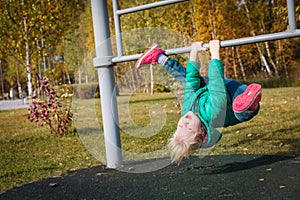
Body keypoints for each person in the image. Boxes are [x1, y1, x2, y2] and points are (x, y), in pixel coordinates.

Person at [134, 40, 262, 164]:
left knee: (187, 82)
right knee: (241, 110)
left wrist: (194, 51)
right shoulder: (213, 114)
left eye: (180, 126)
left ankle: (159, 56)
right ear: (201, 130)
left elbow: (191, 81)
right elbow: (217, 82)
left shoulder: (187, 111)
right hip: (232, 95)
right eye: (189, 127)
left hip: (212, 91)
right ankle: (251, 103)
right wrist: (214, 52)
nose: (185, 121)